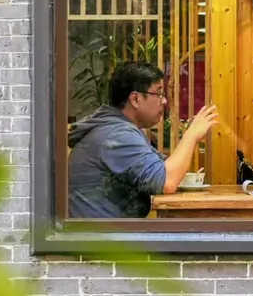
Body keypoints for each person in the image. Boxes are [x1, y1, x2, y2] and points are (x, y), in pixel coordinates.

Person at [67, 60, 218, 218]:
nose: (164, 101)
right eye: (159, 93)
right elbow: (167, 182)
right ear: (135, 99)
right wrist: (191, 135)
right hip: (101, 239)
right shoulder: (117, 135)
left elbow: (164, 168)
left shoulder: (115, 129)